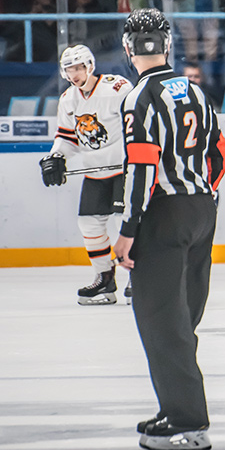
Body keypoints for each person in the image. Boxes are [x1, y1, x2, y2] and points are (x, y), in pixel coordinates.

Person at [113, 8, 225, 450]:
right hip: (201, 210)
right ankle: (172, 406)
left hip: (164, 213)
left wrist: (128, 227)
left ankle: (186, 421)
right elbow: (218, 156)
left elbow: (141, 165)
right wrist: (201, 197)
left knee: (163, 323)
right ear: (166, 46)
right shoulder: (197, 93)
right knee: (184, 317)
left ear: (128, 48)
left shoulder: (138, 97)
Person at [39, 45, 133, 305]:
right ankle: (105, 278)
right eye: (70, 69)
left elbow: (138, 124)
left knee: (122, 222)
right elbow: (67, 137)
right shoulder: (69, 99)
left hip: (124, 169)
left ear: (90, 66)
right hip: (95, 172)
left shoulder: (117, 88)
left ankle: (139, 276)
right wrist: (56, 156)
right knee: (89, 224)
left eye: (79, 67)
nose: (75, 73)